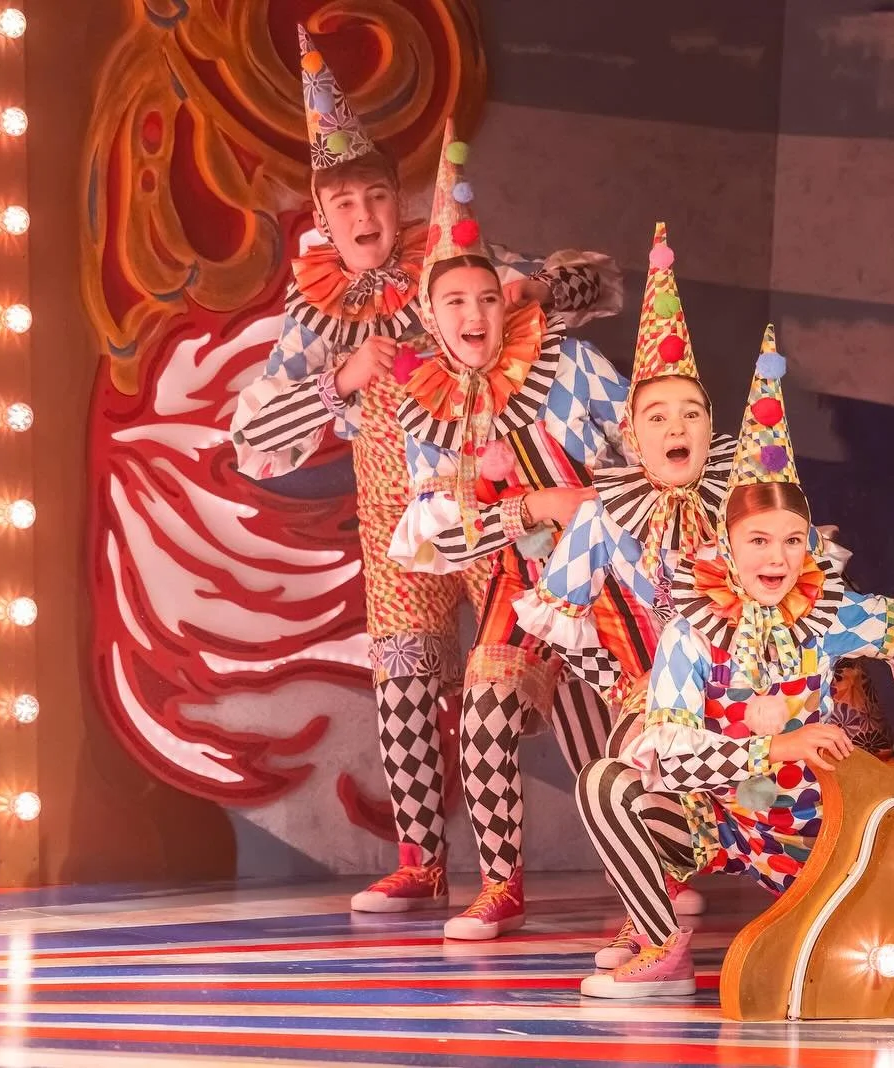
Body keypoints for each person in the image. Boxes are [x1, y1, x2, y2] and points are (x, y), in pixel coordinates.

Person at [229, 28, 622, 914]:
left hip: (498, 495)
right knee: (404, 686)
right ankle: (422, 859)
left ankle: (642, 852)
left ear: (395, 200)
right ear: (321, 221)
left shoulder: (447, 262)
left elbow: (591, 287)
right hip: (396, 520)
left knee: (566, 662)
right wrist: (339, 378)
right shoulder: (317, 311)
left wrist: (530, 292)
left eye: (377, 196)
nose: (366, 215)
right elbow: (253, 440)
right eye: (346, 205)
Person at [574, 330, 894, 997]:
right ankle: (661, 950)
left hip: (818, 831)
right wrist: (780, 744)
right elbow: (671, 755)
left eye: (792, 542)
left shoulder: (825, 613)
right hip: (725, 826)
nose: (776, 558)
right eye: (759, 541)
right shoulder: (693, 632)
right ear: (728, 549)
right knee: (607, 783)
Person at [386, 120, 651, 940]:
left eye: (485, 297)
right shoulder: (424, 404)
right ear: (431, 316)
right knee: (487, 710)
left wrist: (599, 506)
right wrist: (530, 509)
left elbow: (645, 446)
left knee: (642, 722)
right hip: (524, 578)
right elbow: (428, 531)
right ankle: (501, 885)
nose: (472, 313)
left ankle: (658, 878)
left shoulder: (566, 364)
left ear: (508, 301)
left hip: (610, 571)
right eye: (454, 301)